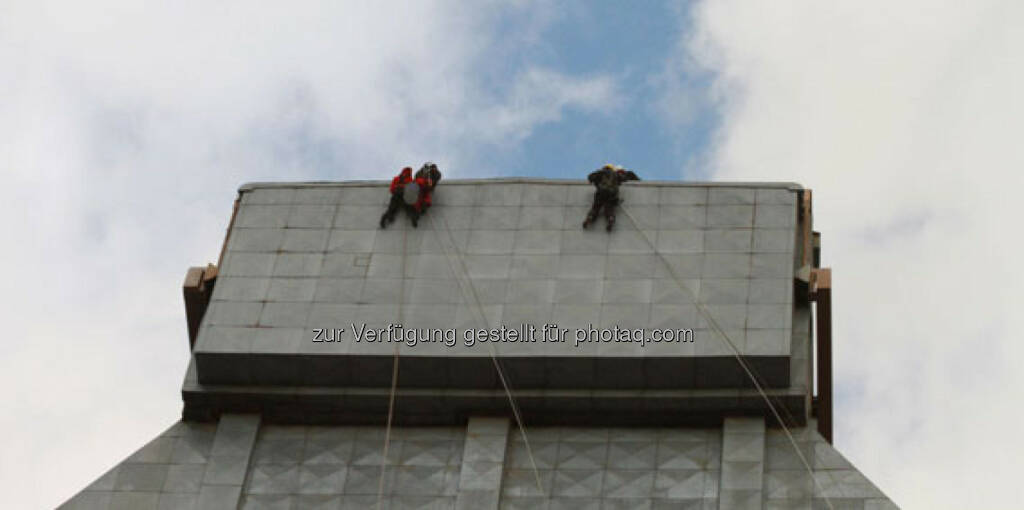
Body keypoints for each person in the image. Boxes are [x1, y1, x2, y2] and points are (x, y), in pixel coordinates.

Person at [582, 164, 640, 231]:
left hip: (601, 191)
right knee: (609, 208)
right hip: (612, 193)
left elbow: (590, 177)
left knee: (596, 207)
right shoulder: (615, 174)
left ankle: (590, 218)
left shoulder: (601, 172)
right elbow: (623, 178)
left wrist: (597, 183)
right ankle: (610, 219)